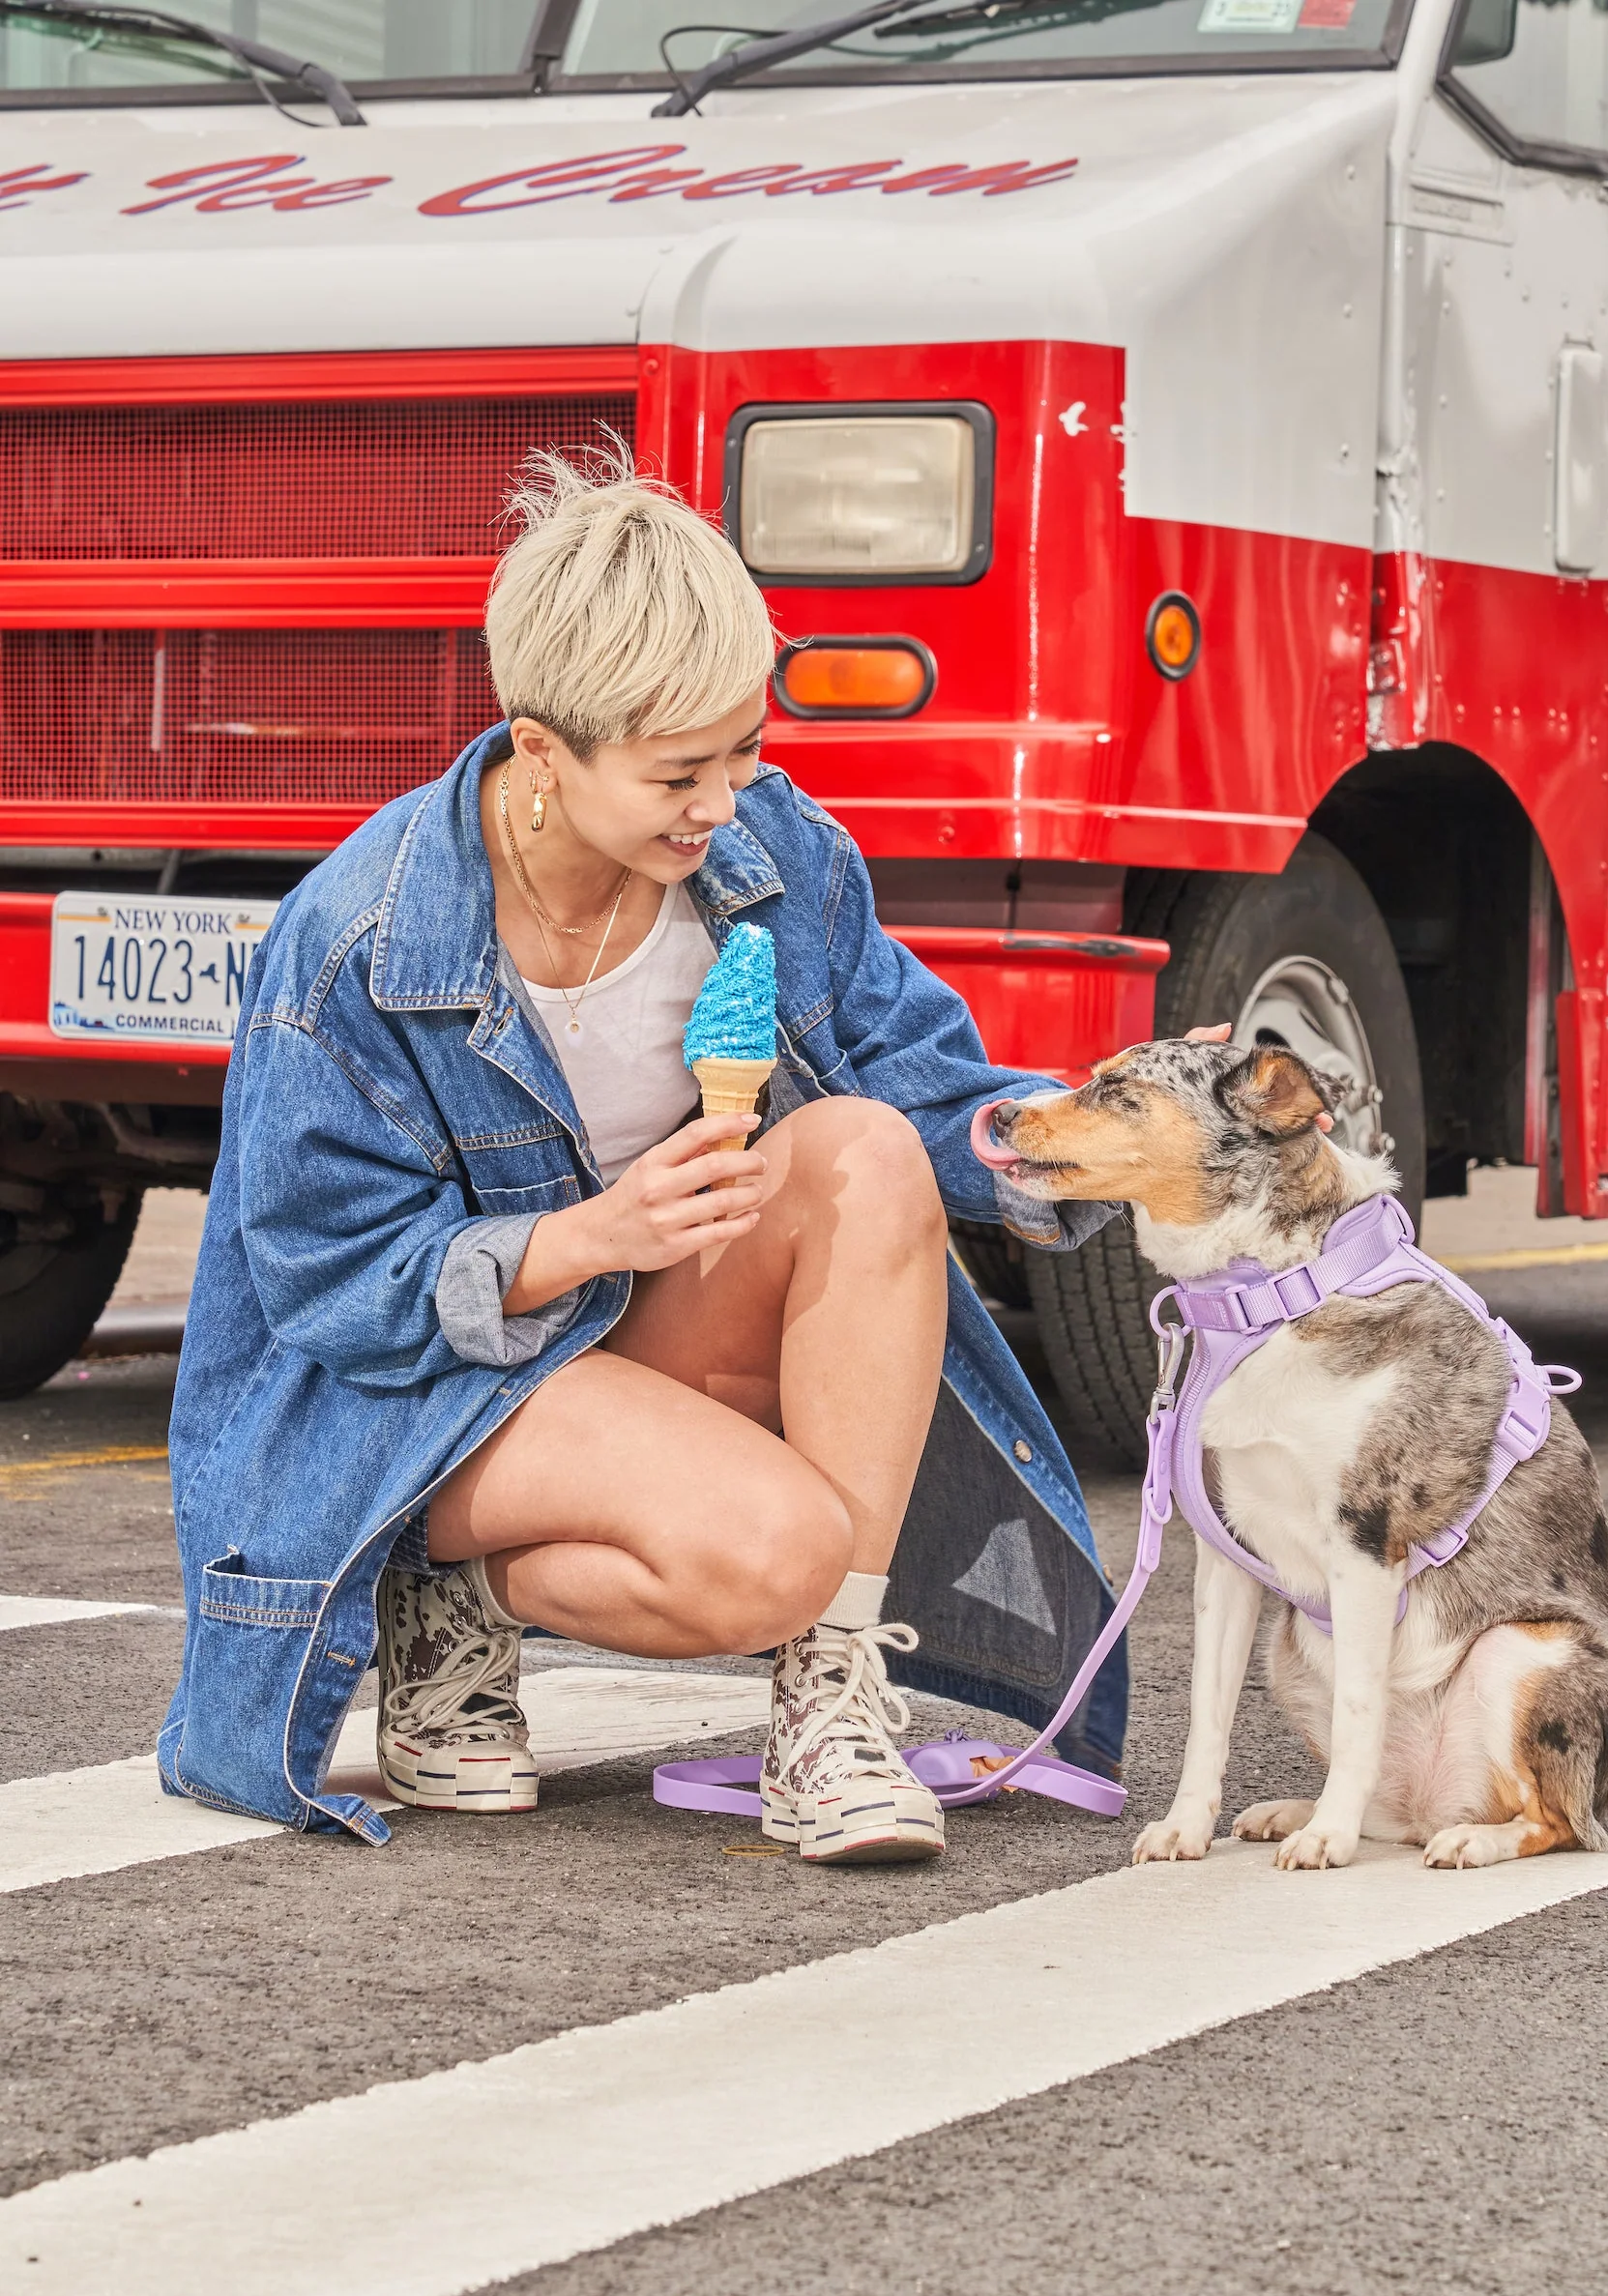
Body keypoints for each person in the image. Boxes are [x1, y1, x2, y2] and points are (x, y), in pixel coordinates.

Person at [160, 447, 1127, 1865]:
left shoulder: (768, 855)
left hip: (633, 1331)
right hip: (412, 1398)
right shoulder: (361, 941)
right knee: (771, 1554)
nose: (723, 802)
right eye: (679, 770)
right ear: (542, 753)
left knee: (861, 1150)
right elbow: (324, 1285)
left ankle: (819, 1695)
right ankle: (431, 1581)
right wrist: (591, 1237)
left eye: (744, 752)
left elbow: (915, 1080)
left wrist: (1086, 1138)